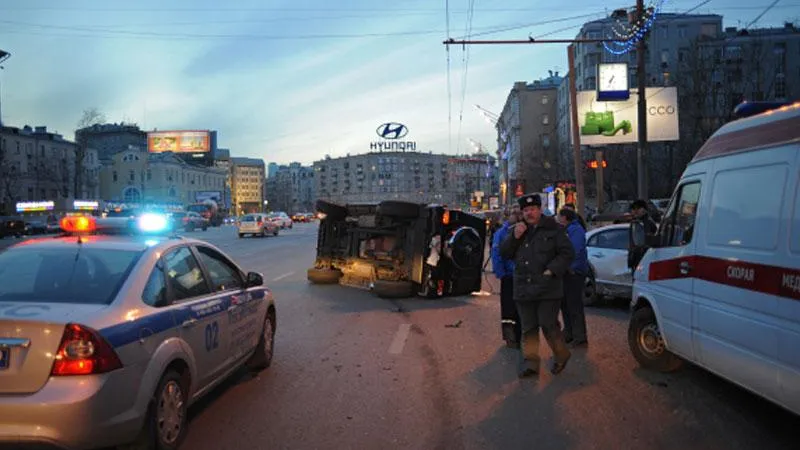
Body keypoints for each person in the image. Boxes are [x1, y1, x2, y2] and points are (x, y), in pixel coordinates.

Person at [500, 193, 575, 378]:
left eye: (532, 209)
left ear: (540, 210)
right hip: (523, 287)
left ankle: (561, 354)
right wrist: (514, 238)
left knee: (548, 324)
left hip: (548, 287)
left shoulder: (554, 229)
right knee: (528, 328)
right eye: (525, 210)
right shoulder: (517, 230)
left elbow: (567, 253)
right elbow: (504, 253)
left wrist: (551, 270)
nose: (529, 213)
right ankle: (530, 363)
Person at [557, 208, 589, 347]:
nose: (558, 219)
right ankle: (569, 333)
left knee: (574, 305)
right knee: (565, 304)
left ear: (565, 218)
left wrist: (566, 265)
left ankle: (579, 337)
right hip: (566, 272)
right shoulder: (567, 230)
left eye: (559, 217)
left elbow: (573, 251)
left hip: (574, 272)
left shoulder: (576, 230)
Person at [491, 206, 522, 348]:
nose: (517, 216)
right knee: (509, 308)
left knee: (521, 308)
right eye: (514, 214)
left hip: (522, 276)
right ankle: (510, 337)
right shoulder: (502, 233)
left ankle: (521, 336)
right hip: (509, 276)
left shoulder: (524, 230)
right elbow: (496, 253)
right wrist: (501, 272)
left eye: (519, 213)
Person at [627, 199, 658, 274]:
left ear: (643, 210)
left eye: (637, 209)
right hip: (635, 258)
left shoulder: (648, 222)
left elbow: (649, 240)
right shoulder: (634, 222)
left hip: (644, 258)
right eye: (633, 209)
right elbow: (633, 241)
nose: (634, 212)